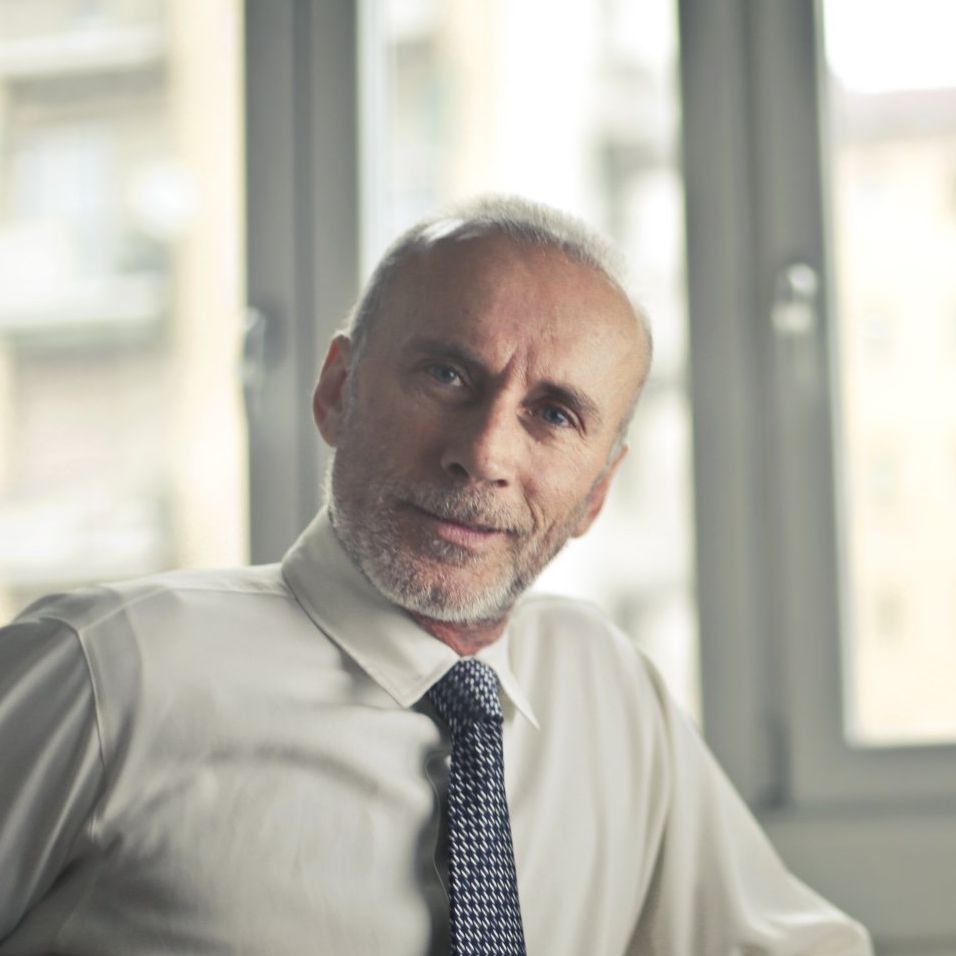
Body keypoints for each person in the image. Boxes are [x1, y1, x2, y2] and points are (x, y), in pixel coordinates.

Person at [0, 196, 871, 955]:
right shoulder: (106, 672)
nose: (484, 452)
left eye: (554, 415)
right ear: (337, 390)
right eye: (448, 373)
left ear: (597, 493)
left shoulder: (607, 686)